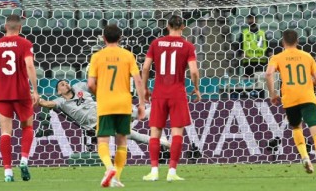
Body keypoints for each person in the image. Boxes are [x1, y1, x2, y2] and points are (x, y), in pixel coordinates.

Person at [0, 15, 39, 182]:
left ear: (5, 27)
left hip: (2, 94)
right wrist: (35, 90)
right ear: (20, 28)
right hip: (22, 93)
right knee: (27, 126)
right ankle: (24, 160)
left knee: (5, 132)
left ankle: (7, 173)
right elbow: (29, 65)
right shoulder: (25, 44)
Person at [142, 15, 201, 182]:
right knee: (177, 133)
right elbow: (194, 71)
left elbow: (145, 68)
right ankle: (172, 172)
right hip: (177, 93)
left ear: (167, 26)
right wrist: (196, 88)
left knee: (155, 133)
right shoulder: (188, 46)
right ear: (183, 27)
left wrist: (145, 88)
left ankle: (154, 171)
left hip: (159, 92)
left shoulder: (156, 43)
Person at [87, 24, 146, 188]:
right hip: (124, 103)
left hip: (106, 103)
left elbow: (90, 84)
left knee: (102, 140)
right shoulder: (128, 55)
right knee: (122, 142)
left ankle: (109, 167)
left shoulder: (97, 57)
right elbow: (138, 80)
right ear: (120, 38)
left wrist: (100, 94)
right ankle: (116, 178)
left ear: (103, 38)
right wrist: (141, 104)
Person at [38, 80, 171, 151]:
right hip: (96, 124)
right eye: (62, 84)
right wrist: (36, 98)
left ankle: (159, 108)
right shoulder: (60, 102)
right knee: (130, 134)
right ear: (58, 91)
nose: (66, 84)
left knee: (132, 112)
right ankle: (162, 142)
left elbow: (94, 85)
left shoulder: (79, 87)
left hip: (105, 110)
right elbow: (45, 103)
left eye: (66, 82)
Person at [265, 29, 316, 178]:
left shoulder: (277, 57)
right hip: (307, 97)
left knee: (296, 127)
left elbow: (268, 73)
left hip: (290, 98)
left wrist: (273, 93)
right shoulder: (307, 56)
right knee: (315, 128)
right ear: (298, 41)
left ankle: (305, 157)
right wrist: (307, 83)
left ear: (282, 43)